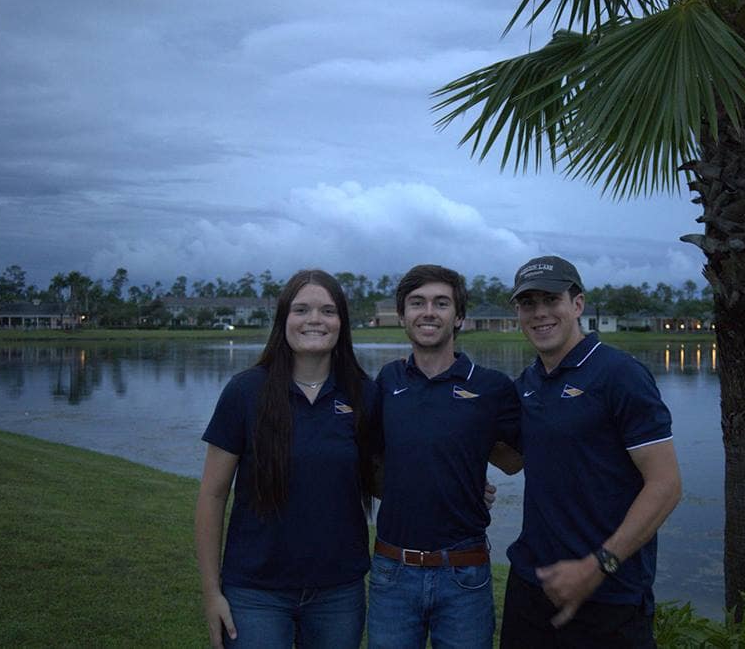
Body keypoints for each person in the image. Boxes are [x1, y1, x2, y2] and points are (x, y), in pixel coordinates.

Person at [500, 256, 682, 648]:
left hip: (610, 595)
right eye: (528, 303)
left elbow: (666, 485)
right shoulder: (527, 383)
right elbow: (511, 460)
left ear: (577, 304)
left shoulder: (619, 374)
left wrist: (600, 564)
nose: (540, 313)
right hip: (532, 589)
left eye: (551, 299)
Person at [194, 269, 376, 649]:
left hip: (338, 592)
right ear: (284, 320)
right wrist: (212, 593)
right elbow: (212, 497)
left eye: (327, 310)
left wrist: (465, 484)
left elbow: (389, 478)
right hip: (256, 593)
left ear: (341, 322)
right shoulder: (245, 392)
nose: (314, 320)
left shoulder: (364, 395)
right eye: (301, 310)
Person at [367, 264, 522, 649]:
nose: (429, 312)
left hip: (464, 573)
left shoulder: (491, 387)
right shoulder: (387, 381)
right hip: (391, 571)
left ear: (460, 317)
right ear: (402, 315)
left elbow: (515, 459)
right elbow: (369, 459)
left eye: (441, 303)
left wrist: (466, 473)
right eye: (417, 303)